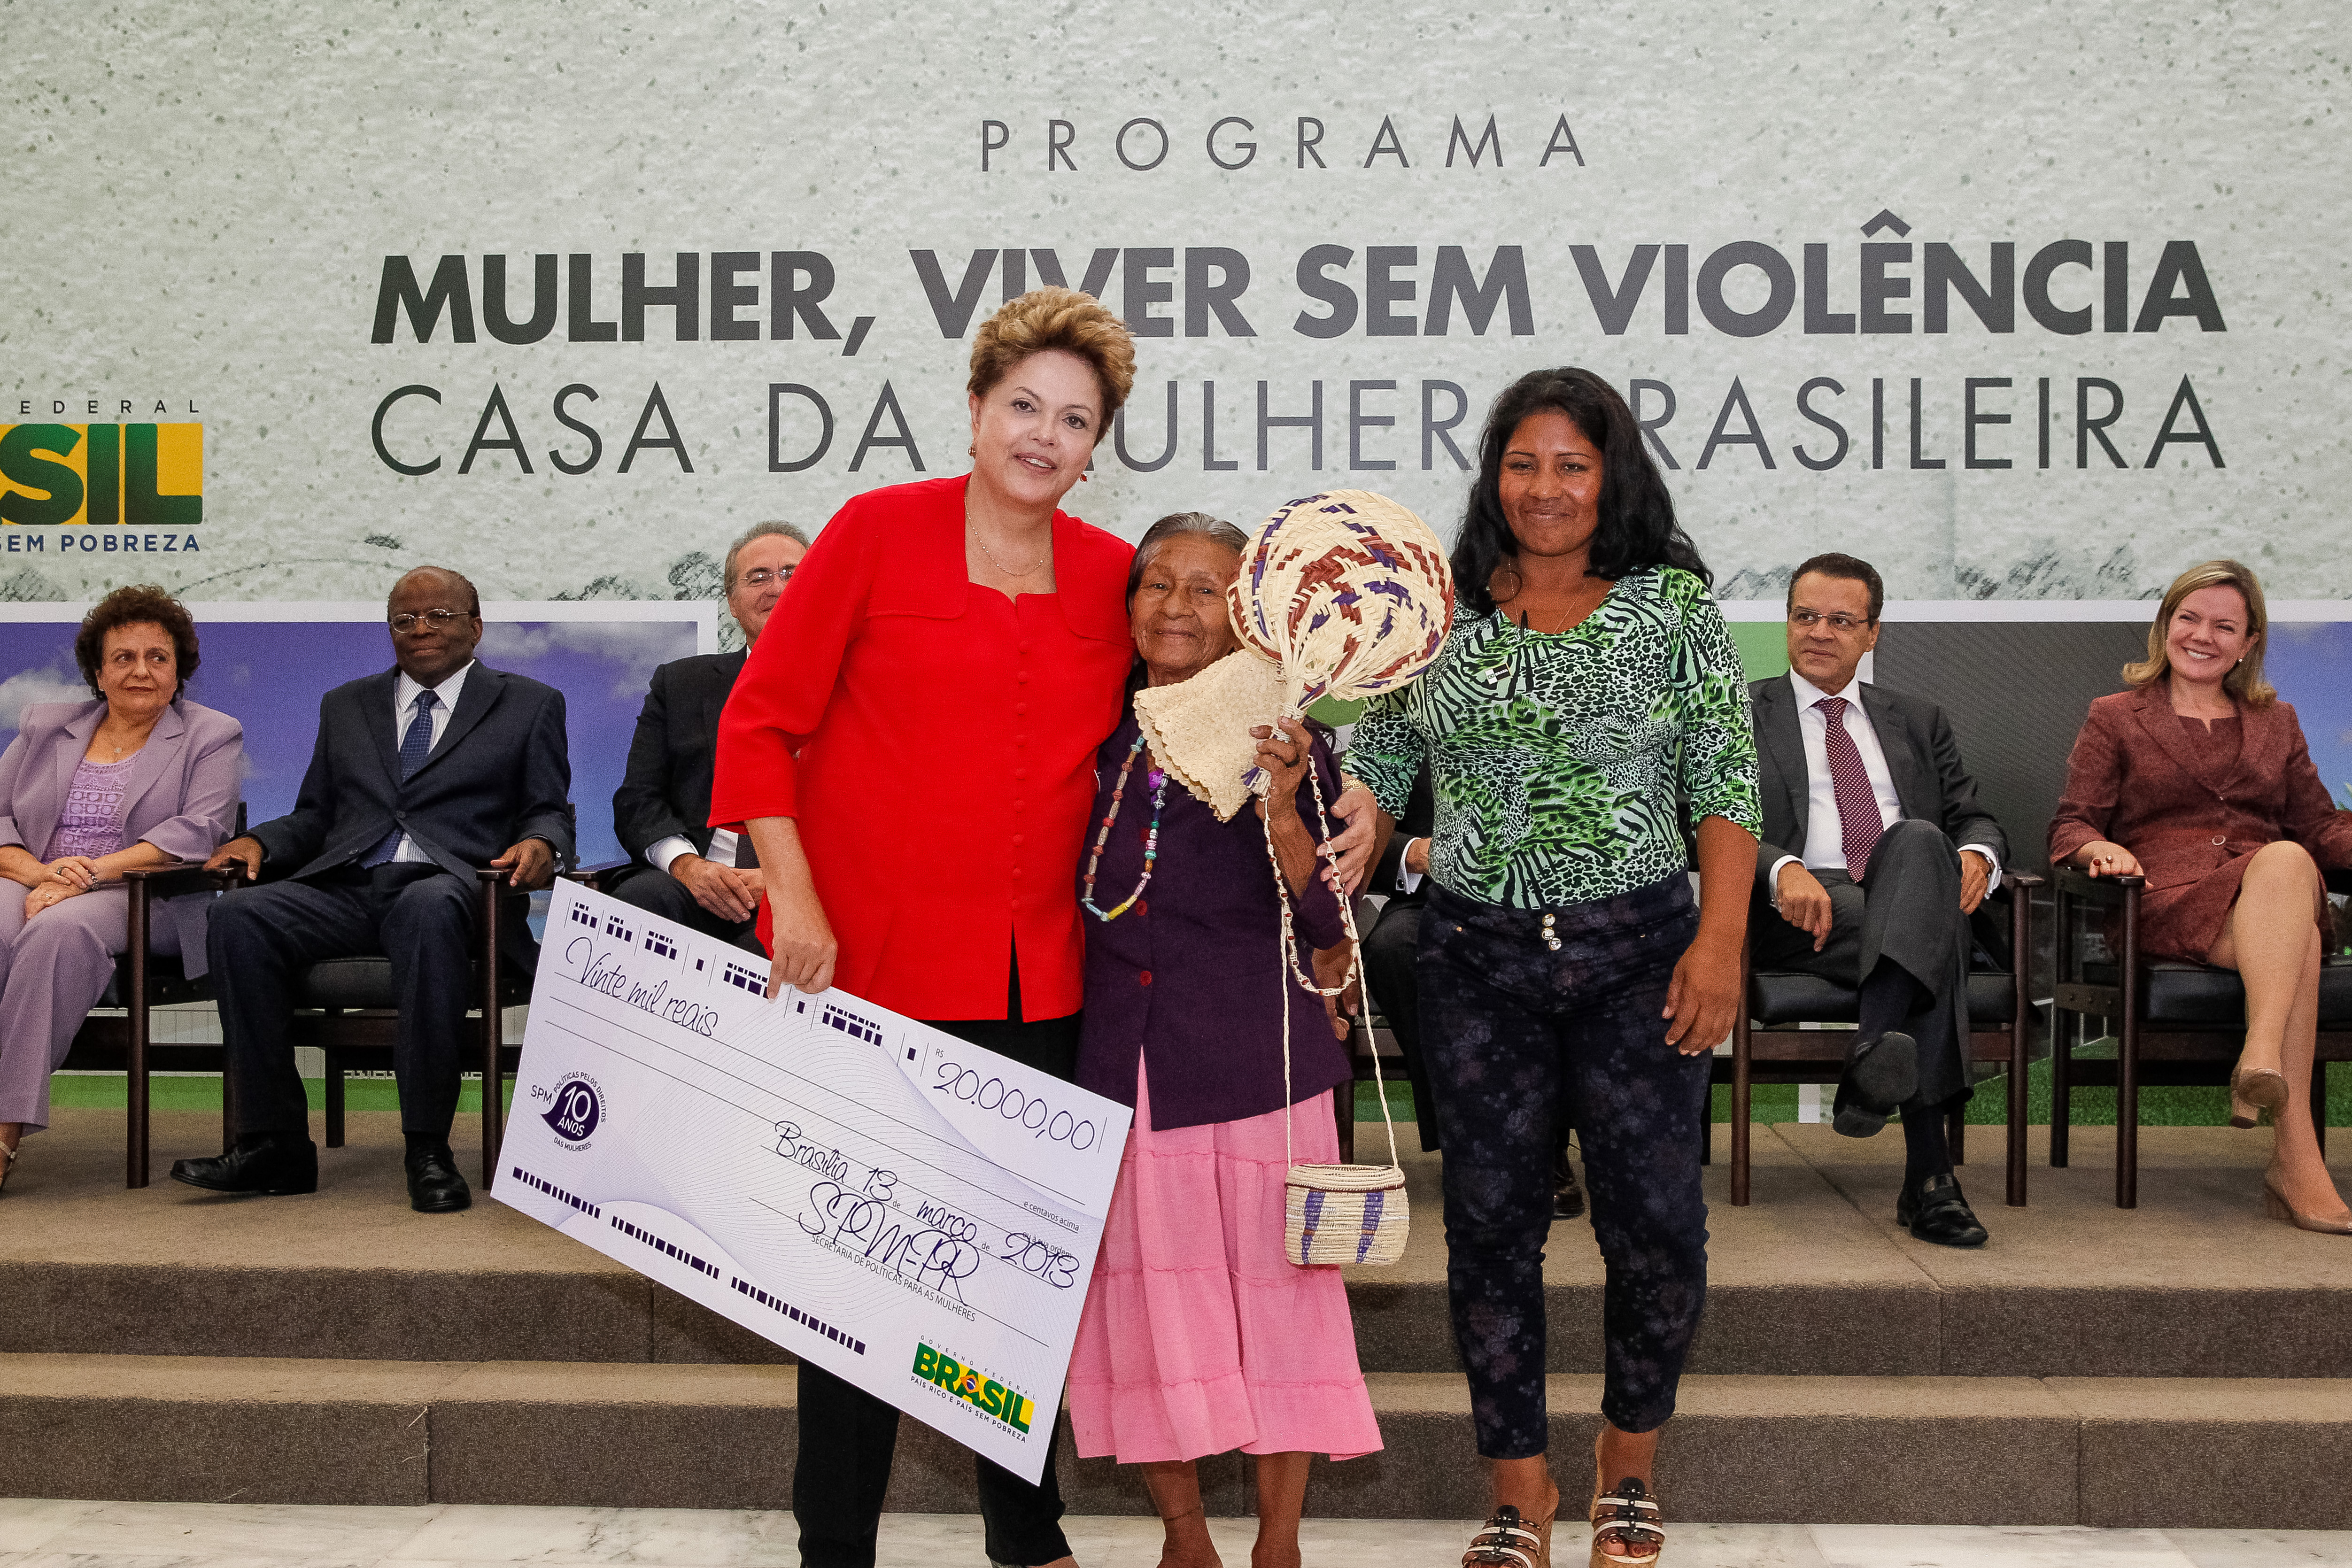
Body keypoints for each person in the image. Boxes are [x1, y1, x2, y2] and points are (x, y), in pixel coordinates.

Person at [713, 288, 1378, 1568]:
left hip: (1049, 986)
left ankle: (1025, 1537)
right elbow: (759, 726)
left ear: (1096, 445)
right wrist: (793, 898)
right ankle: (834, 1550)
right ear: (975, 410)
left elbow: (1230, 702)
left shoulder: (1113, 574)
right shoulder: (873, 532)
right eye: (1023, 406)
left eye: (1074, 420)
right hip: (868, 970)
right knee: (853, 1274)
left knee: (1015, 1282)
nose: (1043, 435)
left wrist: (1350, 804)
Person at [1348, 367, 1759, 1568]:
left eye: (1570, 464)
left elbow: (1725, 782)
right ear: (1493, 477)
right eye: (1521, 463)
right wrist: (1353, 811)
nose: (1544, 488)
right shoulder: (1435, 611)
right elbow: (1379, 759)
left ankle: (1625, 1467)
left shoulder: (1671, 607)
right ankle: (1517, 1494)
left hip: (1642, 962)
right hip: (1474, 964)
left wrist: (1719, 942)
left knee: (1657, 1230)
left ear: (1609, 474)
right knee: (1488, 1233)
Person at [1066, 513, 1381, 1568]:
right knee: (1150, 1310)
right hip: (1125, 1064)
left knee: (1281, 1312)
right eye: (1155, 583)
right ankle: (1186, 1538)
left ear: (1245, 615)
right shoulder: (1095, 729)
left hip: (1258, 1063)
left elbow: (1328, 920)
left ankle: (1277, 1542)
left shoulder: (1283, 734)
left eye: (1204, 589)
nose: (1174, 606)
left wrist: (1284, 808)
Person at [169, 567, 573, 1214]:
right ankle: (274, 1144)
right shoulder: (346, 704)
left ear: (475, 627)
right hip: (350, 887)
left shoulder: (529, 703)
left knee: (428, 907)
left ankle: (427, 1147)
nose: (421, 628)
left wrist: (542, 843)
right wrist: (260, 843)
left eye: (439, 615)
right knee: (241, 915)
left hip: (453, 888)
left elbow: (547, 807)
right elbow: (316, 815)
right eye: (404, 619)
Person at [2050, 558, 2352, 1236]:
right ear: (2166, 626)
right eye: (2189, 618)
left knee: (2287, 865)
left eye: (2224, 626)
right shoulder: (2116, 716)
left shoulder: (2279, 720)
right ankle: (2290, 1144)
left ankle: (2263, 1064)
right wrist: (2098, 851)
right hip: (2164, 900)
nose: (2202, 636)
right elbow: (2072, 824)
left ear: (2248, 643)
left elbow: (2319, 826)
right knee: (2298, 924)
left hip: (2265, 899)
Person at [1748, 553, 2009, 1249]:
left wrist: (1978, 857)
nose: (1819, 631)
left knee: (1921, 840)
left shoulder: (1918, 719)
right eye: (1805, 615)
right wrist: (1781, 867)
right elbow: (1702, 818)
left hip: (1910, 885)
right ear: (1787, 622)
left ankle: (1873, 1060)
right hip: (1799, 910)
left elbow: (1973, 817)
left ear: (1873, 633)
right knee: (1928, 935)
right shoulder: (1740, 712)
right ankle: (1930, 1178)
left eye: (1841, 620)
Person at [0, 587, 242, 1190]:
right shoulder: (45, 726)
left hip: (147, 896)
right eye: (124, 658)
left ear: (179, 670)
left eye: (158, 657)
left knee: (56, 932)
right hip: (38, 879)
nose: (141, 671)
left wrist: (83, 876)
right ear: (98, 672)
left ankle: (3, 1131)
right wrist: (42, 874)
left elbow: (198, 832)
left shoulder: (212, 734)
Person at [1359, 761, 1586, 1218]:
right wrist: (1413, 852)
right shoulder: (1406, 720)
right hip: (1432, 899)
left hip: (1551, 901)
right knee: (1394, 946)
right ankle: (1468, 1142)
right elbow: (1349, 825)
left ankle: (1544, 1145)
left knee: (1557, 951)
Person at [609, 521, 809, 950]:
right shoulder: (680, 684)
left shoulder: (856, 690)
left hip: (806, 893)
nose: (776, 587)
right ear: (732, 604)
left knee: (774, 945)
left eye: (791, 573)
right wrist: (686, 866)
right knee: (638, 904)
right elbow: (638, 800)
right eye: (758, 577)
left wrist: (786, 879)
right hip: (697, 882)